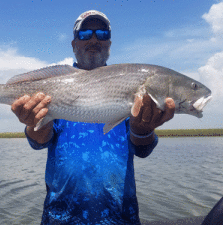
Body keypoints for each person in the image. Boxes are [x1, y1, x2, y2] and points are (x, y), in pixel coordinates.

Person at [11, 10, 175, 225]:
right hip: (61, 216)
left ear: (109, 43)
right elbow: (39, 141)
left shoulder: (132, 87)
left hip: (119, 216)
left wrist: (142, 129)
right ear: (74, 44)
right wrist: (34, 122)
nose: (94, 39)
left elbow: (143, 149)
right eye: (85, 33)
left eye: (102, 34)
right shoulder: (55, 88)